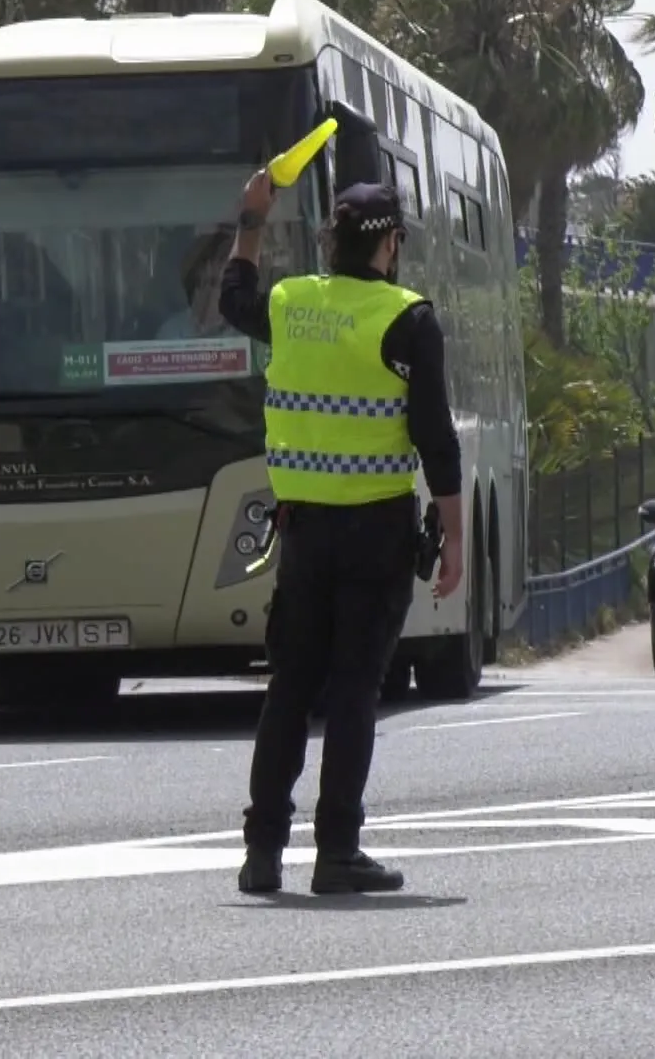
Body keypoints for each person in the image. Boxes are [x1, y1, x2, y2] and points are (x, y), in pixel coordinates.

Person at [218, 169, 465, 896]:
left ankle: (263, 852)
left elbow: (234, 297)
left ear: (330, 241)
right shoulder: (408, 319)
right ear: (392, 244)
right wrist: (454, 539)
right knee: (355, 689)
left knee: (290, 688)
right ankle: (337, 853)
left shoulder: (292, 304)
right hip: (377, 535)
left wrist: (252, 219)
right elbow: (436, 439)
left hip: (302, 532)